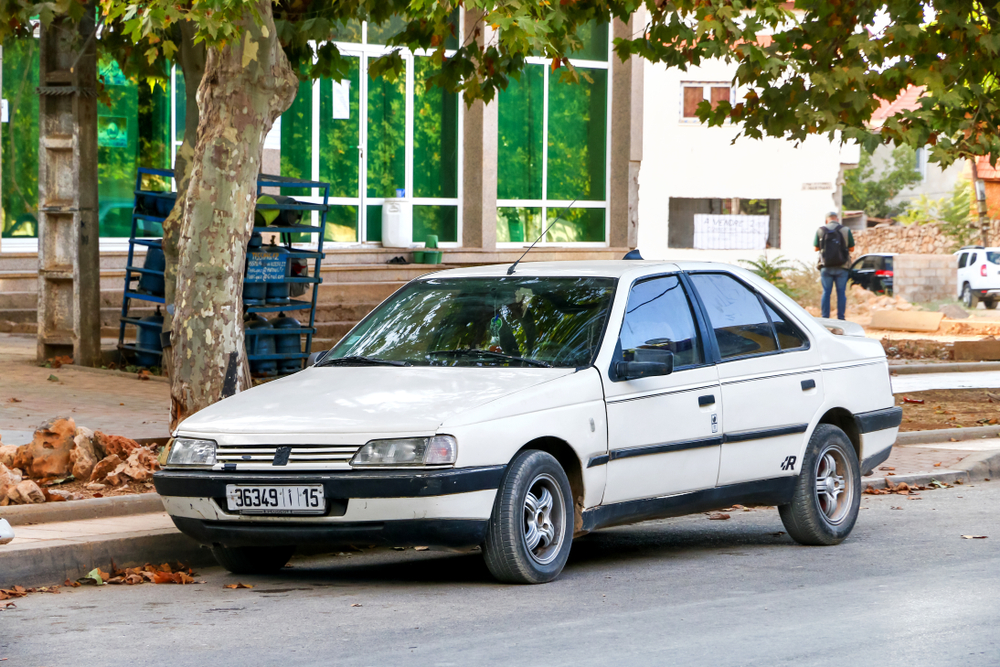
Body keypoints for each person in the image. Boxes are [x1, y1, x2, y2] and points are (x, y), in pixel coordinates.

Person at [814, 212, 855, 320]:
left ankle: (825, 318)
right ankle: (841, 318)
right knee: (841, 292)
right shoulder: (845, 230)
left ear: (826, 220)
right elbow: (852, 249)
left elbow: (816, 248)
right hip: (842, 267)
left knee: (826, 292)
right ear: (837, 219)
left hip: (825, 267)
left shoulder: (820, 230)